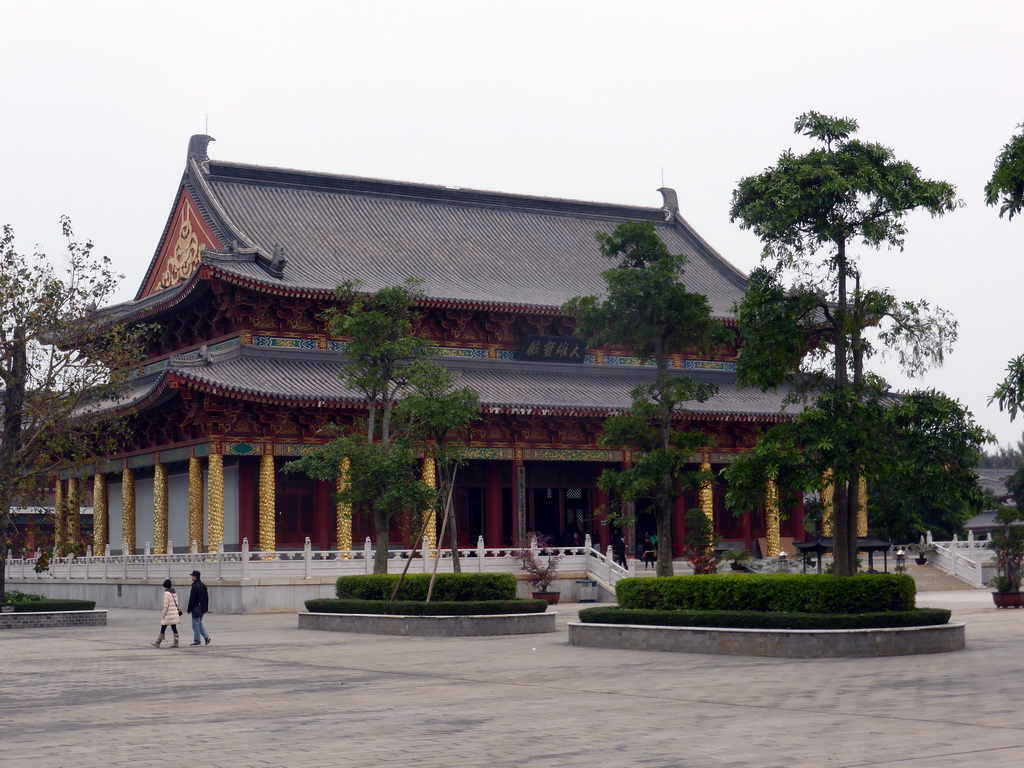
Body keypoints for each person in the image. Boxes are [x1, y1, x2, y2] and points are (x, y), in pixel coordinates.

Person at [151, 579, 181, 648]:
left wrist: (163, 615)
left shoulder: (167, 594)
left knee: (163, 627)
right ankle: (176, 642)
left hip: (168, 614)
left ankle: (158, 642)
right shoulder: (174, 593)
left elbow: (165, 606)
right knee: (173, 627)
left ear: (165, 587)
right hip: (174, 614)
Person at [186, 569, 212, 646]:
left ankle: (197, 641)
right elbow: (206, 598)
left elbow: (192, 599)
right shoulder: (203, 586)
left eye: (192, 576)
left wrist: (189, 609)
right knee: (198, 623)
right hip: (202, 607)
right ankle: (206, 637)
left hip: (196, 607)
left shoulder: (195, 586)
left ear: (195, 577)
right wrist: (205, 608)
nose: (191, 578)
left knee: (196, 624)